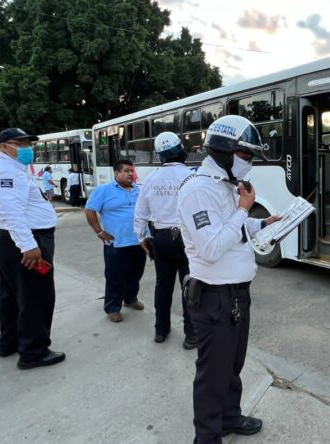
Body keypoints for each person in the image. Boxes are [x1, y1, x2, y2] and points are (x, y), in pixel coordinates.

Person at [177, 115, 281, 443]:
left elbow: (233, 231)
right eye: (246, 156)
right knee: (213, 374)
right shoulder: (198, 190)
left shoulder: (225, 185)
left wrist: (262, 224)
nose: (249, 164)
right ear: (224, 151)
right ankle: (207, 437)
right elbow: (210, 247)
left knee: (233, 364)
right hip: (213, 296)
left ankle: (229, 417)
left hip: (237, 293)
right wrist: (243, 209)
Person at [0, 128, 65, 370]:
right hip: (22, 241)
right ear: (4, 146)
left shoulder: (13, 170)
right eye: (20, 143)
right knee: (36, 296)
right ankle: (34, 351)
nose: (27, 149)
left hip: (10, 240)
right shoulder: (7, 173)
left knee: (11, 294)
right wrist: (29, 246)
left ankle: (9, 342)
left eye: (28, 144)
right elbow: (11, 212)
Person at [133, 132, 196, 347]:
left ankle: (161, 331)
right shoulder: (191, 176)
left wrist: (142, 237)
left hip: (159, 238)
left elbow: (140, 213)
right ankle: (191, 335)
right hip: (186, 239)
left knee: (163, 286)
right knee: (189, 287)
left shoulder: (150, 179)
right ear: (180, 150)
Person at [84, 159, 146, 322]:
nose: (130, 174)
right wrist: (99, 232)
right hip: (116, 243)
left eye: (131, 171)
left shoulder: (138, 190)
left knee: (136, 274)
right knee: (115, 276)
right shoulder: (103, 191)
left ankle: (130, 299)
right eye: (126, 171)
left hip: (139, 242)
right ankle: (112, 307)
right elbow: (90, 211)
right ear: (116, 173)